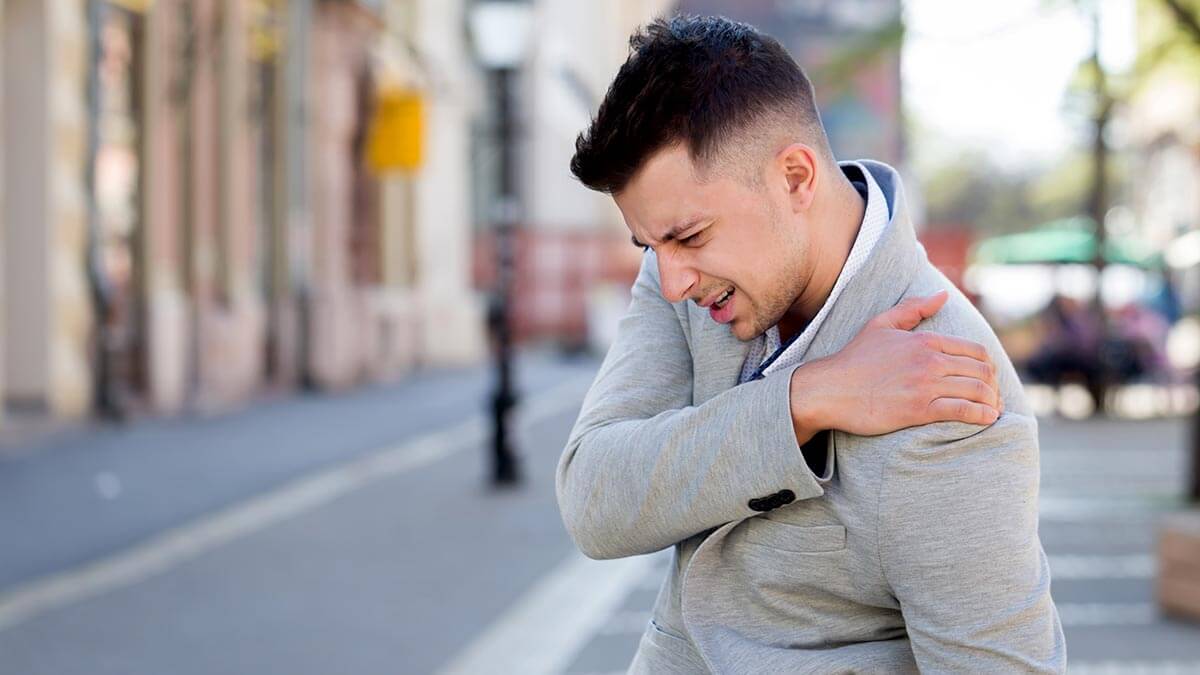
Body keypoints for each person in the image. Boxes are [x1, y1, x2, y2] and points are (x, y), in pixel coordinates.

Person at [556, 15, 1064, 674]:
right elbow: (594, 497)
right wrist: (806, 399)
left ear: (796, 177)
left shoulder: (950, 394)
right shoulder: (683, 273)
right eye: (650, 245)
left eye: (691, 235)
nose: (671, 276)